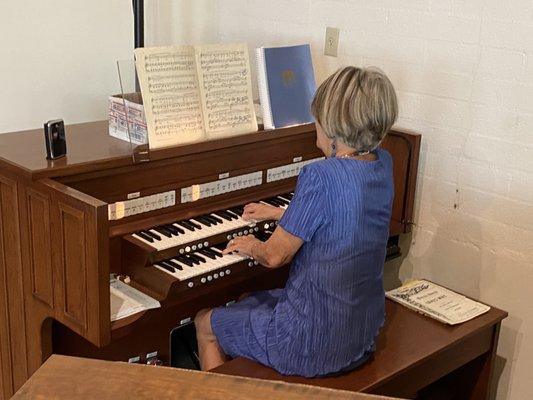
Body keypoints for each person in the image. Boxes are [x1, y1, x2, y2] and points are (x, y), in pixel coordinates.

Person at [194, 66, 398, 377]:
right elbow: (344, 215)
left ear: (332, 125)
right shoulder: (382, 162)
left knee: (204, 322)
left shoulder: (321, 175)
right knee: (248, 299)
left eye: (316, 120)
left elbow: (275, 255)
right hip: (360, 334)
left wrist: (250, 245)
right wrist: (280, 214)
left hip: (309, 345)